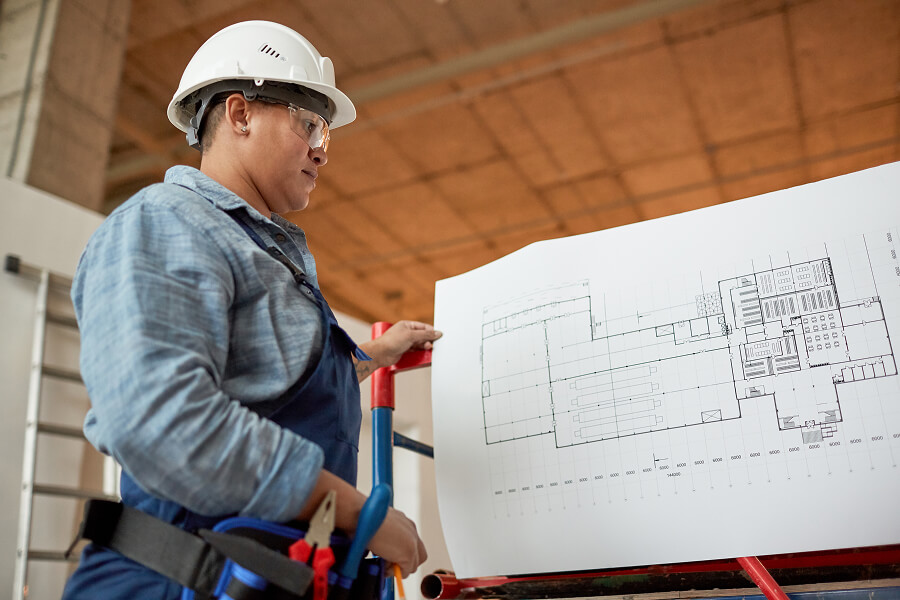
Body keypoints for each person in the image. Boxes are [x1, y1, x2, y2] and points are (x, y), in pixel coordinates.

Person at [62, 20, 441, 599]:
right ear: (239, 114)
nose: (321, 148)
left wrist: (370, 357)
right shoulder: (166, 222)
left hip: (259, 579)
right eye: (309, 123)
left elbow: (262, 382)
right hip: (179, 579)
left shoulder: (257, 247)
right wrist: (359, 513)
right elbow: (163, 420)